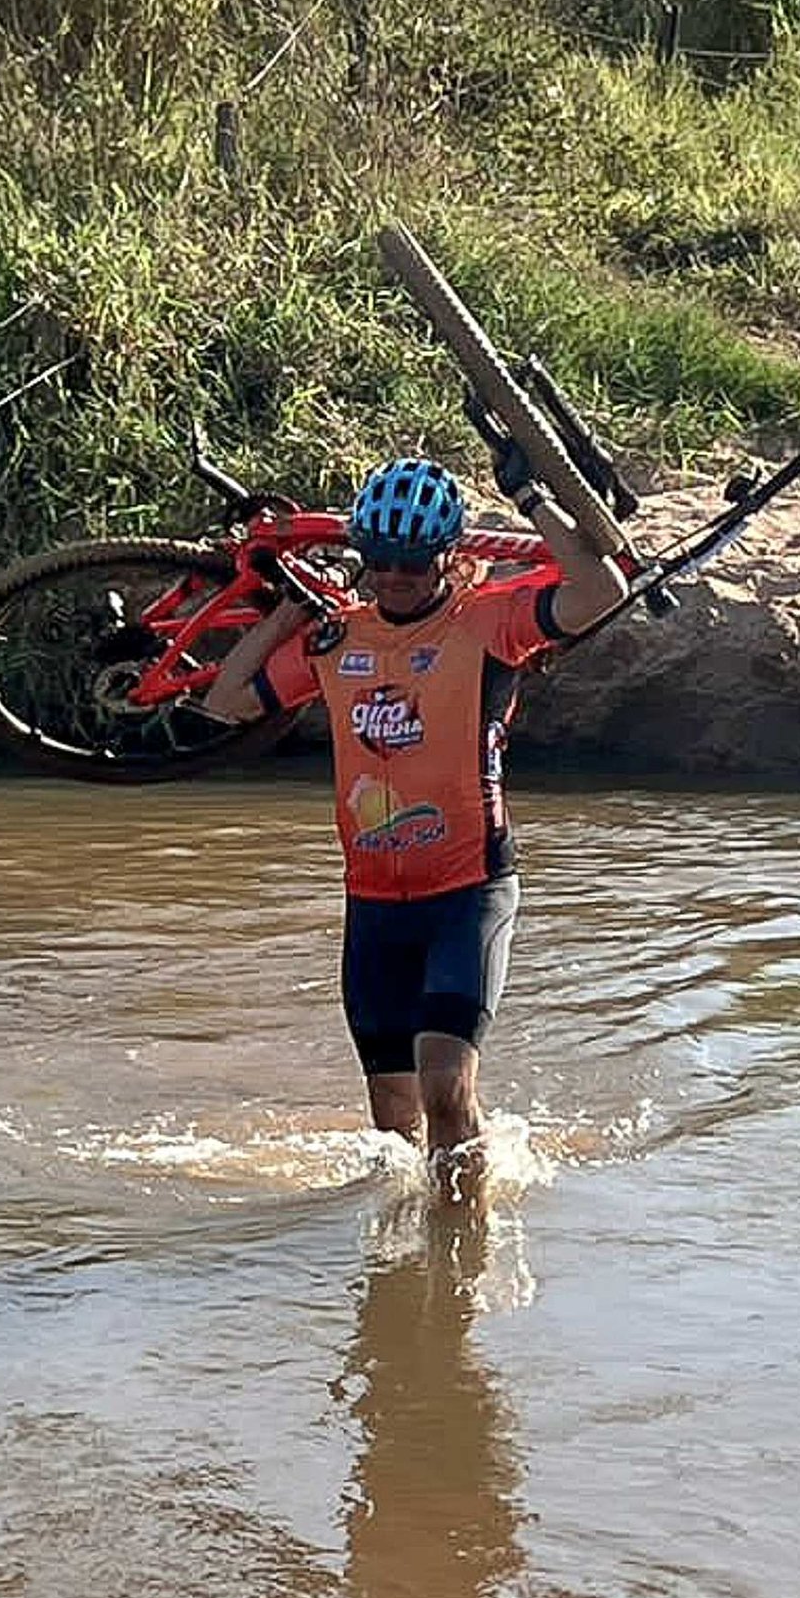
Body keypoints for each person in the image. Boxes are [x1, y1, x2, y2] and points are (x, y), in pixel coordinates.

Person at [204, 443, 628, 1184]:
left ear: (447, 557)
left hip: (467, 892)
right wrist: (291, 614)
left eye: (413, 562)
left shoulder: (489, 622)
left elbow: (601, 590)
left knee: (443, 1085)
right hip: (373, 906)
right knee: (392, 1126)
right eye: (381, 560)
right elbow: (225, 701)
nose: (395, 577)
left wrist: (531, 498)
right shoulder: (339, 638)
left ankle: (465, 1245)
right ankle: (411, 1246)